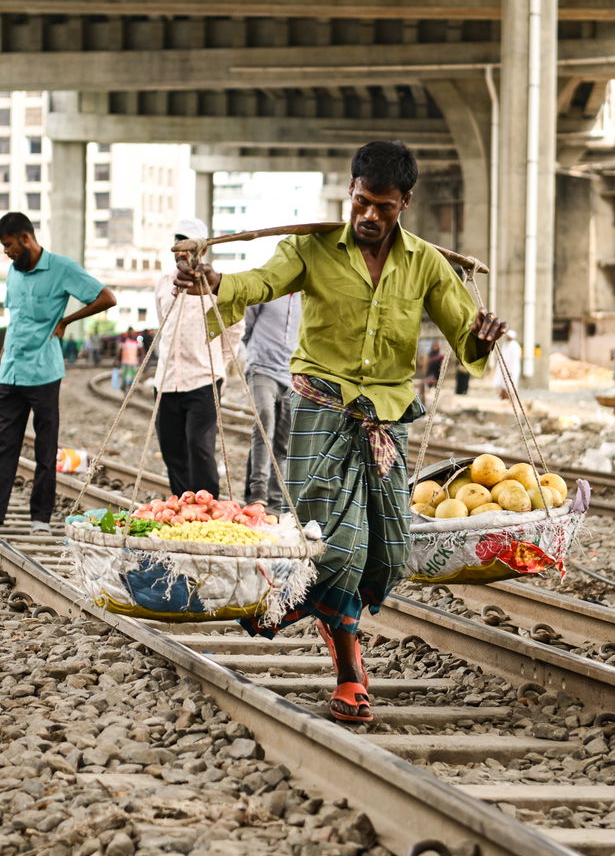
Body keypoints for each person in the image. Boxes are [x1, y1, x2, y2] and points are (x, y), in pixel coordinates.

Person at [177, 140, 505, 723]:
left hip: (388, 418)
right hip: (321, 407)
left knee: (388, 554)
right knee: (343, 546)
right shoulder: (312, 247)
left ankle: (287, 604)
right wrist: (214, 282)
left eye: (383, 205)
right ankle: (351, 672)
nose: (369, 215)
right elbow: (258, 283)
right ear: (349, 192)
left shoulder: (426, 263)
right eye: (360, 201)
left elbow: (466, 337)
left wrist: (485, 334)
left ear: (404, 202)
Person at [0, 212, 116, 535]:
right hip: (11, 373)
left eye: (8, 245)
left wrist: (67, 321)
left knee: (45, 450)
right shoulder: (13, 272)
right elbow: (15, 324)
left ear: (25, 238)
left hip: (44, 373)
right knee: (3, 447)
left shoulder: (62, 268)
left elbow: (106, 297)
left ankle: (41, 519)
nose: (6, 252)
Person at [154, 218, 245, 497]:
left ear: (201, 251)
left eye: (188, 245)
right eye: (178, 244)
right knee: (172, 449)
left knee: (199, 446)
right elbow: (163, 325)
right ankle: (183, 507)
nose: (182, 251)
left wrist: (218, 366)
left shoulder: (215, 287)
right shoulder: (163, 283)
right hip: (167, 382)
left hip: (204, 380)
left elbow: (233, 331)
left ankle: (208, 507)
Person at [242, 291, 301, 514]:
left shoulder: (306, 297)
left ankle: (275, 503)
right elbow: (245, 329)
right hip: (261, 369)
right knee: (264, 423)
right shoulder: (267, 292)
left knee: (283, 441)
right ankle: (258, 495)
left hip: (292, 375)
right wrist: (253, 355)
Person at [493, 329, 522, 400]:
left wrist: (511, 370)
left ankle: (511, 397)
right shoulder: (505, 345)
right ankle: (503, 396)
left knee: (511, 383)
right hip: (504, 367)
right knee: (503, 383)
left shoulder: (515, 346)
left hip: (512, 368)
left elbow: (515, 360)